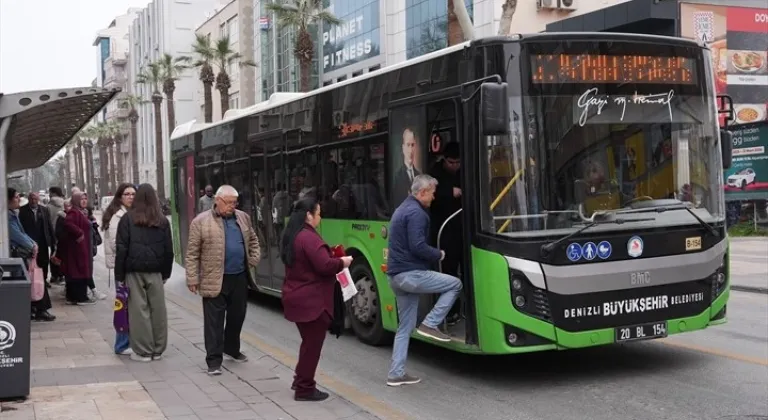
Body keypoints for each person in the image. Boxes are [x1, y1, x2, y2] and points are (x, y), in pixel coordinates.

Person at [385, 174, 462, 387]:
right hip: (411, 275)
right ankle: (430, 323)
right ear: (422, 192)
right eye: (432, 193)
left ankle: (396, 373)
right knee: (455, 284)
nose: (434, 197)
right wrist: (439, 254)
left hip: (396, 277)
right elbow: (417, 246)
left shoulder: (402, 209)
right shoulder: (417, 214)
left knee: (404, 328)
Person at [280, 198, 353, 401]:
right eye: (318, 213)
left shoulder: (294, 234)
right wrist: (342, 262)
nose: (320, 217)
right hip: (312, 302)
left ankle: (300, 379)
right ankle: (304, 388)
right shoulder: (308, 237)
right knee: (312, 347)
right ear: (308, 215)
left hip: (297, 298)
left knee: (308, 344)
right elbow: (324, 266)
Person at [185, 185, 261, 376]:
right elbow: (192, 253)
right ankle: (213, 361)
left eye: (235, 202)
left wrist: (252, 259)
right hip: (214, 279)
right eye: (229, 202)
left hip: (239, 277)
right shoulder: (200, 222)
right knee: (214, 323)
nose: (232, 206)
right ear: (217, 201)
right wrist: (192, 278)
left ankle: (232, 348)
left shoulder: (242, 217)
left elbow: (253, 240)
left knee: (237, 316)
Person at [114, 183, 174, 362]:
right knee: (158, 310)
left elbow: (121, 249)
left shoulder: (127, 219)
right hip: (156, 272)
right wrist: (166, 273)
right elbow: (169, 250)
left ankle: (143, 350)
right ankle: (158, 348)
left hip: (134, 271)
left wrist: (120, 276)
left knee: (138, 310)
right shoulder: (162, 220)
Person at [428, 142, 463, 324]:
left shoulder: (465, 171)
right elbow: (431, 196)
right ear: (444, 160)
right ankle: (450, 312)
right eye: (451, 162)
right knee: (448, 272)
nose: (454, 166)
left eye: (458, 162)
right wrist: (450, 192)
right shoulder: (435, 173)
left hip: (462, 228)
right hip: (443, 229)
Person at [8, 188, 56, 322]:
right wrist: (32, 245)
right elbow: (17, 234)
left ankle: (36, 308)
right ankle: (39, 309)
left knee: (36, 279)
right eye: (16, 197)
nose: (19, 199)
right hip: (20, 254)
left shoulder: (13, 213)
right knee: (31, 281)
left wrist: (37, 244)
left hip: (32, 249)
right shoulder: (10, 215)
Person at [102, 183, 136, 355]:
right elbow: (117, 244)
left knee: (127, 304)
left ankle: (128, 341)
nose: (131, 197)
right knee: (123, 305)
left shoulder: (128, 214)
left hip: (126, 265)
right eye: (127, 194)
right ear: (120, 197)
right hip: (122, 267)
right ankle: (122, 344)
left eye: (133, 194)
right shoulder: (118, 216)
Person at [59, 191, 96, 306]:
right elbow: (68, 223)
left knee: (77, 270)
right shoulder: (74, 212)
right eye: (81, 199)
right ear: (76, 200)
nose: (84, 201)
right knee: (79, 270)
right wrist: (79, 233)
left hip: (81, 247)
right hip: (78, 248)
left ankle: (73, 297)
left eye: (85, 198)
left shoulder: (80, 212)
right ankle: (80, 298)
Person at [18, 192, 56, 289]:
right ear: (29, 199)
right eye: (31, 199)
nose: (33, 201)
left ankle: (44, 279)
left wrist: (52, 240)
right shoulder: (22, 211)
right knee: (32, 262)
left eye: (35, 199)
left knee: (44, 261)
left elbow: (49, 225)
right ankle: (32, 280)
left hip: (42, 240)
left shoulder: (44, 210)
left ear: (38, 199)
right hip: (30, 241)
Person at [392, 128, 421, 207]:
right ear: (403, 147)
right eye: (408, 145)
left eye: (412, 145)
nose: (410, 150)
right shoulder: (397, 176)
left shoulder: (419, 175)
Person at [47, 187, 66, 284]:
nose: (49, 194)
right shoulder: (65, 204)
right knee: (62, 253)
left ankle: (54, 275)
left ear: (54, 193)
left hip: (53, 233)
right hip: (63, 233)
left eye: (50, 193)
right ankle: (62, 274)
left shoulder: (49, 206)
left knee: (53, 254)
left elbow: (47, 221)